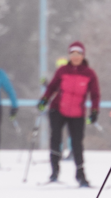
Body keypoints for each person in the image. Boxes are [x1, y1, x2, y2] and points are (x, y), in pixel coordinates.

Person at [38, 43, 100, 187]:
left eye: (78, 55)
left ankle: (81, 176)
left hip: (77, 113)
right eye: (73, 55)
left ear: (83, 56)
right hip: (58, 109)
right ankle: (54, 173)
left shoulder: (89, 73)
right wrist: (44, 100)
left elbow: (95, 94)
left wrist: (94, 111)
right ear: (69, 56)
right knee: (56, 139)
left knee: (77, 143)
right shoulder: (62, 71)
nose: (75, 57)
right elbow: (52, 87)